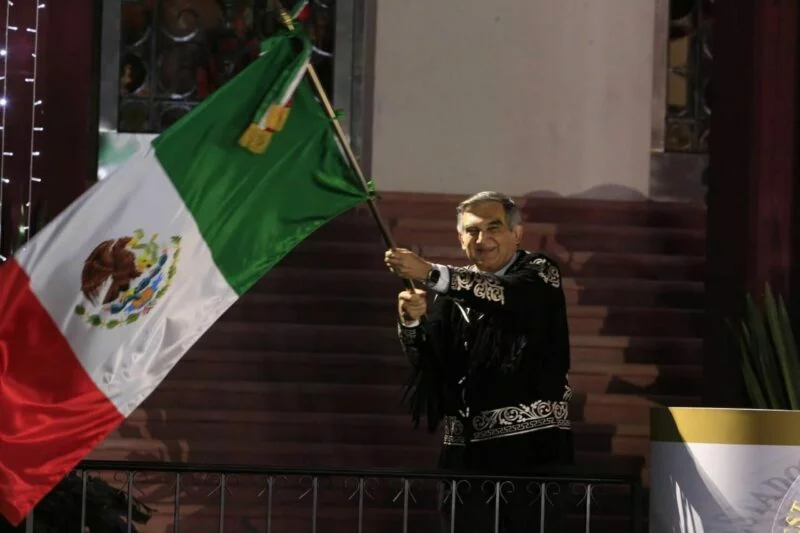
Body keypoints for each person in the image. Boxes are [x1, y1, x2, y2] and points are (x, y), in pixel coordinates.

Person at [384, 191, 573, 532]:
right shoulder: (449, 296)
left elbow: (507, 295)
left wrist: (430, 272)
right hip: (462, 454)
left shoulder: (540, 272)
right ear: (460, 238)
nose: (482, 239)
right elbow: (429, 364)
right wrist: (411, 322)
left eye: (494, 228)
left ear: (517, 234)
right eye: (471, 231)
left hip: (531, 450)